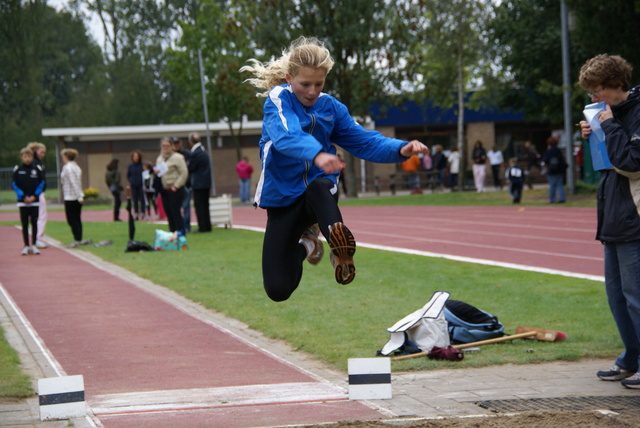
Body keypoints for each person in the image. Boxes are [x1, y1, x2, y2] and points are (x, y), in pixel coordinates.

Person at [240, 36, 428, 302]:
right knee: (278, 289)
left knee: (320, 185)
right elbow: (286, 136)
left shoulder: (331, 108)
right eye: (305, 84)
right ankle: (308, 243)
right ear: (288, 77)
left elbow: (363, 140)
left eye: (319, 84)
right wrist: (316, 153)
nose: (312, 91)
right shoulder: (277, 100)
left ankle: (339, 250)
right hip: (283, 199)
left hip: (318, 195)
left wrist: (400, 148)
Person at [579, 54, 640, 389]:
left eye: (598, 89)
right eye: (590, 92)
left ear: (617, 85)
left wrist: (610, 125)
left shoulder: (635, 113)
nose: (594, 98)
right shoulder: (609, 113)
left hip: (634, 216)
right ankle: (630, 358)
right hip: (612, 214)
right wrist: (593, 133)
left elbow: (632, 163)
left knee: (636, 294)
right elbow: (606, 162)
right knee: (616, 295)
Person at [12, 147, 45, 255]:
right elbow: (14, 184)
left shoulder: (37, 169)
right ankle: (26, 245)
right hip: (23, 201)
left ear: (32, 157)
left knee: (34, 222)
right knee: (24, 223)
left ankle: (34, 245)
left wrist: (34, 196)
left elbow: (42, 183)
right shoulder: (18, 169)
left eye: (29, 156)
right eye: (25, 157)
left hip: (34, 201)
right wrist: (23, 196)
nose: (27, 159)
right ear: (21, 157)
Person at [155, 137, 188, 234]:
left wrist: (176, 186)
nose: (165, 148)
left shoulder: (178, 158)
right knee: (169, 213)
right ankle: (172, 233)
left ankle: (181, 233)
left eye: (167, 146)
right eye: (163, 146)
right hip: (164, 190)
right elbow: (160, 173)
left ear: (172, 146)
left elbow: (184, 173)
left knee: (175, 212)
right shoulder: (159, 159)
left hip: (175, 189)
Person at [60, 148, 90, 247]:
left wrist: (79, 196)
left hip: (71, 197)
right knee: (77, 218)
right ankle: (78, 238)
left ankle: (77, 239)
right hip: (75, 197)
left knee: (72, 219)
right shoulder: (76, 167)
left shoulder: (68, 168)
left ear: (66, 157)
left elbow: (74, 183)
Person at [187, 132, 212, 232]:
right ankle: (207, 226)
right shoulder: (203, 150)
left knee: (199, 206)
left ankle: (202, 227)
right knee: (205, 206)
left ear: (190, 141)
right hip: (206, 183)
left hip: (198, 183)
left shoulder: (196, 153)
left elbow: (191, 168)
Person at [26, 142, 48, 249]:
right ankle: (38, 238)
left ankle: (36, 236)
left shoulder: (37, 163)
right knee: (41, 216)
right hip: (37, 193)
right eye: (41, 152)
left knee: (37, 216)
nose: (43, 155)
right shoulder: (35, 164)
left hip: (36, 193)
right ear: (35, 151)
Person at [172, 137, 192, 232]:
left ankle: (187, 226)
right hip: (174, 185)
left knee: (186, 206)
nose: (176, 145)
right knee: (176, 207)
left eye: (178, 143)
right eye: (174, 143)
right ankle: (178, 226)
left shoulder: (187, 154)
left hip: (186, 184)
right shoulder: (171, 156)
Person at [541, 136, 567, 203]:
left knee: (552, 185)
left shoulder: (549, 151)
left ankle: (552, 199)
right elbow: (562, 160)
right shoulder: (558, 150)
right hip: (559, 170)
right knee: (560, 185)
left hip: (551, 170)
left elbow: (545, 160)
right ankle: (562, 198)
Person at [127, 150, 144, 220]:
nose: (135, 158)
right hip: (134, 186)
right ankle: (136, 213)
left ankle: (143, 212)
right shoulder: (130, 166)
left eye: (137, 156)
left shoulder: (142, 165)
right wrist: (131, 181)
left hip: (141, 185)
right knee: (135, 200)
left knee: (142, 199)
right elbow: (128, 175)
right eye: (134, 156)